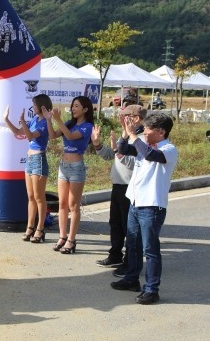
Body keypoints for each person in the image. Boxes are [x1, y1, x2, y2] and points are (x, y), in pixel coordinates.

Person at [110, 113, 178, 305]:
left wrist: (134, 135)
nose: (145, 132)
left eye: (148, 129)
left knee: (150, 249)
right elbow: (123, 149)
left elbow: (149, 155)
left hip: (152, 206)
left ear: (161, 132)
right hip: (135, 202)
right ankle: (131, 279)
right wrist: (125, 133)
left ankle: (152, 289)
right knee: (132, 243)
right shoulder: (143, 145)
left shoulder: (168, 149)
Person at [92, 105, 146, 274]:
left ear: (136, 118)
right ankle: (115, 254)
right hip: (118, 185)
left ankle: (129, 262)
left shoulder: (142, 138)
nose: (120, 119)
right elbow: (111, 155)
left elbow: (133, 162)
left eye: (125, 116)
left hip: (130, 188)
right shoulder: (126, 135)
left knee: (128, 227)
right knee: (115, 223)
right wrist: (97, 144)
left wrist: (118, 149)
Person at [45, 96, 94, 254]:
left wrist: (58, 120)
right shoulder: (68, 123)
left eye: (77, 106)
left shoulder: (88, 126)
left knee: (73, 205)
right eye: (73, 106)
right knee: (62, 204)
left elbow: (71, 136)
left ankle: (71, 240)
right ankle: (62, 236)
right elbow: (53, 135)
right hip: (63, 167)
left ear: (85, 109)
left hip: (76, 168)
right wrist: (49, 120)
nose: (73, 108)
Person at [4, 94, 53, 243]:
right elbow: (18, 132)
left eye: (35, 104)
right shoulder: (34, 120)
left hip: (39, 159)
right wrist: (6, 120)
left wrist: (23, 121)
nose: (33, 107)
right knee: (31, 197)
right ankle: (30, 227)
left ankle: (40, 228)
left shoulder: (45, 122)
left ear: (42, 106)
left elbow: (31, 136)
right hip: (30, 159)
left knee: (39, 197)